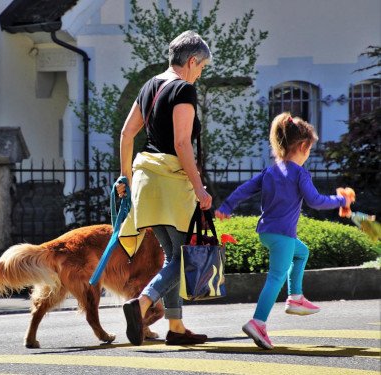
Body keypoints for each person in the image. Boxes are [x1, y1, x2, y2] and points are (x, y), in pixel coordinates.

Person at [215, 112, 352, 350]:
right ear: (302, 146)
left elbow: (245, 188)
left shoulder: (270, 171)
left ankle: (295, 297)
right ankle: (258, 322)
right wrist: (341, 200)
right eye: (309, 149)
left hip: (267, 233)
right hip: (283, 236)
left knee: (302, 252)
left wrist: (227, 206)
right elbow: (316, 201)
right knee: (276, 277)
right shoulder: (300, 173)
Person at [116, 30, 212, 346]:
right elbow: (181, 142)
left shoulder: (149, 86)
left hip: (146, 180)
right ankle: (141, 304)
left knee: (173, 255)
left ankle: (176, 328)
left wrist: (125, 179)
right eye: (201, 68)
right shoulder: (183, 89)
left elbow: (127, 135)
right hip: (172, 181)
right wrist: (199, 188)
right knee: (185, 257)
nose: (200, 74)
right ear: (193, 60)